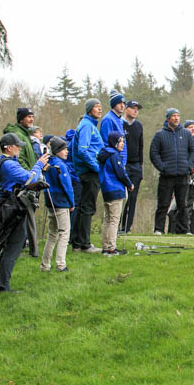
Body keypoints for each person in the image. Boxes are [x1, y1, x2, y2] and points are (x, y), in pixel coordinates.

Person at [0, 133, 49, 292]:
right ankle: (3, 286)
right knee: (15, 244)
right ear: (8, 148)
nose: (19, 149)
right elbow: (29, 178)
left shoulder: (5, 161)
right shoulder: (9, 164)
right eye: (17, 146)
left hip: (8, 205)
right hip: (13, 207)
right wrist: (39, 165)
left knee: (10, 244)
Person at [150, 108, 194, 235]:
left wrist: (189, 166)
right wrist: (162, 167)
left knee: (183, 204)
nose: (176, 118)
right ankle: (159, 229)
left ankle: (183, 229)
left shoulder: (186, 134)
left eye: (178, 116)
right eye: (173, 116)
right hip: (167, 176)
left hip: (182, 174)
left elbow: (193, 151)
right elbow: (154, 153)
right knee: (163, 203)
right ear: (168, 118)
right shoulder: (160, 135)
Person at [3, 107, 39, 257]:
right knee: (21, 225)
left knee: (24, 224)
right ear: (21, 119)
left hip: (29, 179)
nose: (31, 119)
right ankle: (24, 249)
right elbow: (21, 161)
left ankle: (22, 247)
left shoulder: (25, 134)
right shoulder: (18, 135)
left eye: (32, 116)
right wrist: (32, 175)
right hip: (23, 186)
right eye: (28, 117)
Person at [71, 99, 104, 254]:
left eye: (101, 107)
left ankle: (77, 243)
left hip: (88, 171)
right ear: (90, 109)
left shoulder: (90, 125)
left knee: (84, 206)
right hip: (89, 172)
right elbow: (82, 150)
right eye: (97, 107)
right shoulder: (86, 126)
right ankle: (85, 244)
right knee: (88, 207)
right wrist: (96, 167)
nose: (100, 109)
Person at [41, 137, 74, 272]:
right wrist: (72, 203)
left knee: (52, 234)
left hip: (50, 202)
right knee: (64, 233)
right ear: (57, 151)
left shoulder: (47, 164)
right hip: (61, 202)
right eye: (64, 149)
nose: (67, 152)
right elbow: (67, 187)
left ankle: (45, 265)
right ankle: (61, 264)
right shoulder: (61, 166)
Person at [98, 131, 133, 255]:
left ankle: (105, 247)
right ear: (114, 142)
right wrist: (129, 184)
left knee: (107, 219)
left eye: (123, 141)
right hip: (115, 189)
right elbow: (120, 173)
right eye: (120, 141)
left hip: (106, 189)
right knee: (114, 220)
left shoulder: (104, 154)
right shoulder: (114, 155)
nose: (122, 144)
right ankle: (112, 248)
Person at [168, 119, 194, 234]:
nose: (193, 129)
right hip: (183, 178)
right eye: (190, 127)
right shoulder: (181, 142)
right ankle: (177, 229)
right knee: (180, 204)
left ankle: (190, 229)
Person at [120, 100, 144, 234]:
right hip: (122, 164)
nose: (135, 111)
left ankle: (126, 227)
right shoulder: (119, 124)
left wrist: (140, 166)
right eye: (133, 108)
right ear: (126, 109)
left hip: (135, 165)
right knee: (119, 197)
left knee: (132, 198)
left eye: (137, 109)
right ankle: (115, 226)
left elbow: (141, 146)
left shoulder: (139, 126)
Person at [100, 90, 128, 170]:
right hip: (113, 162)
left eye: (124, 103)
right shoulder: (108, 119)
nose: (122, 106)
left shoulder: (120, 120)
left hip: (120, 162)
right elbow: (106, 143)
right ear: (114, 104)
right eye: (119, 103)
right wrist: (116, 162)